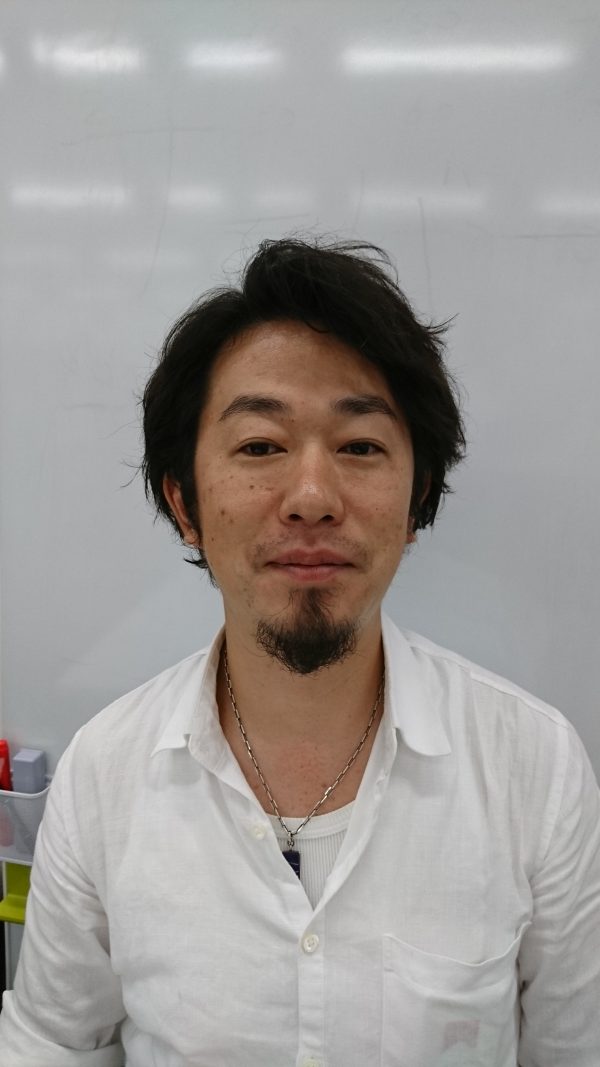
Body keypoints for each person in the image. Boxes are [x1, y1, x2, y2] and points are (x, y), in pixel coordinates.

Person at [1, 238, 599, 1067]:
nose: (312, 498)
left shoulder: (536, 768)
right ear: (184, 501)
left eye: (360, 446)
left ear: (418, 495)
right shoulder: (103, 774)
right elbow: (53, 1044)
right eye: (260, 446)